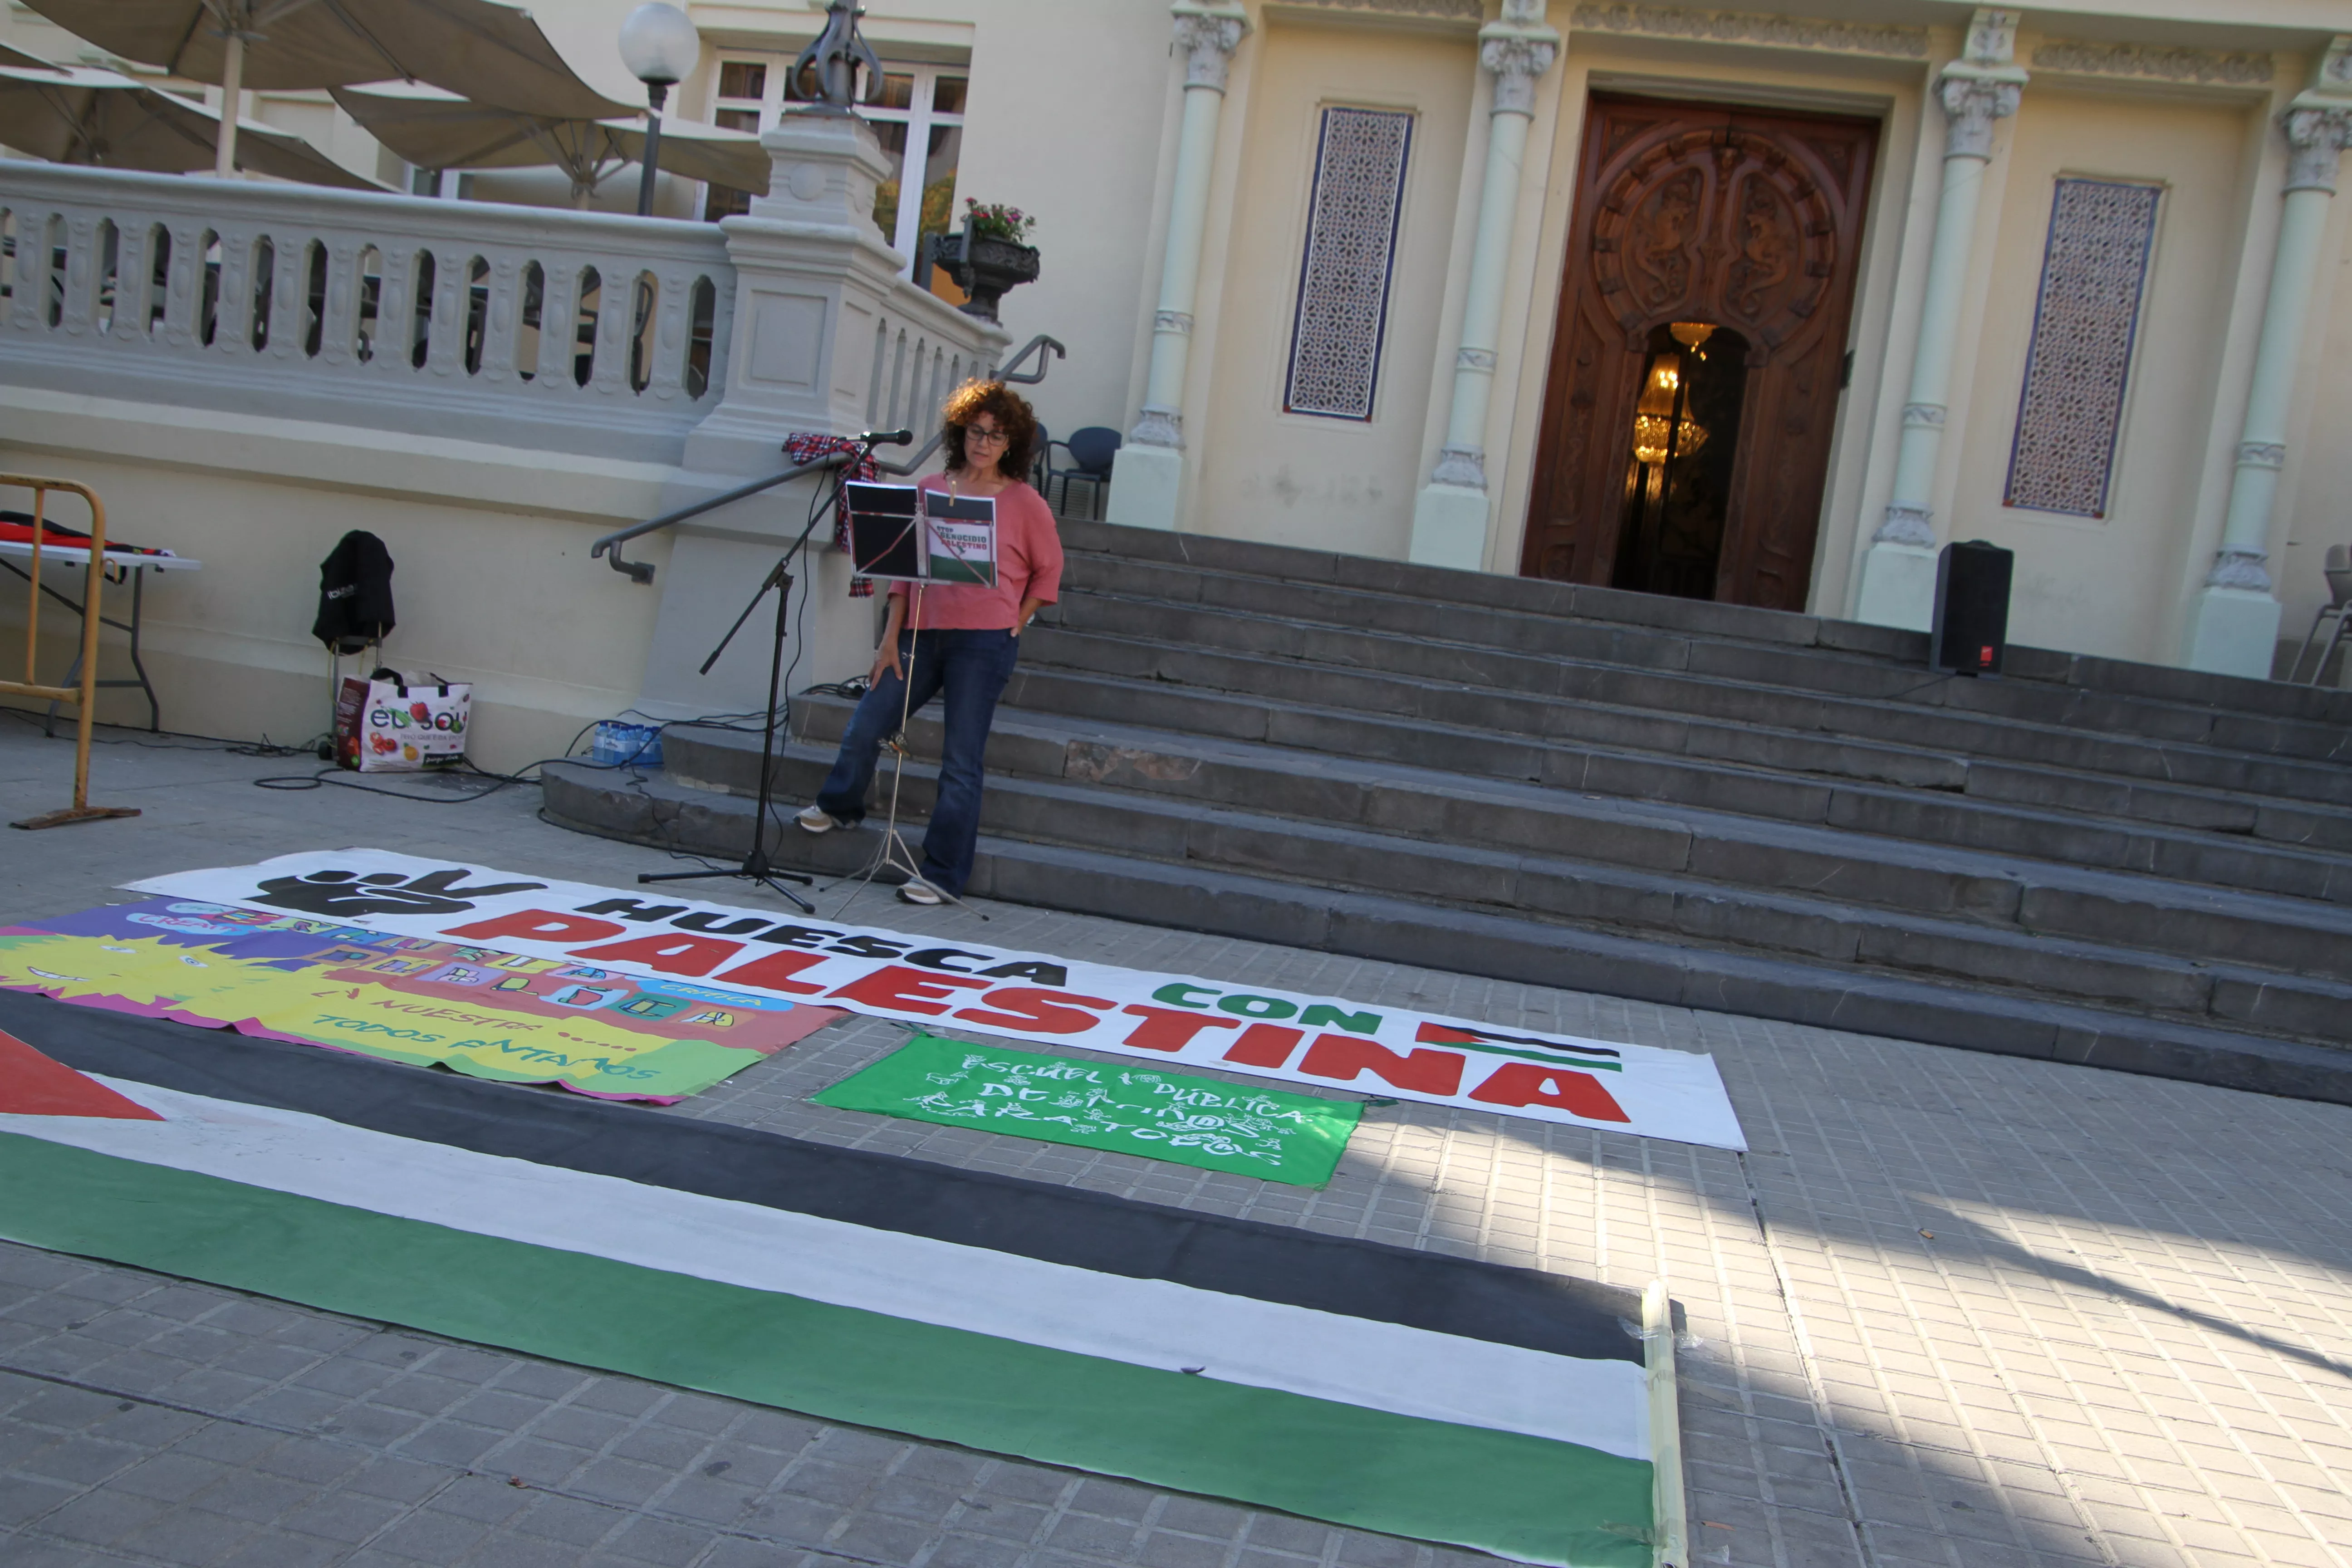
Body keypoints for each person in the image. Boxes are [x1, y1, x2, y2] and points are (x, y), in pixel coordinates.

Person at [796, 380, 1063, 905]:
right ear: (960, 433)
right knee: (868, 723)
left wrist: (1018, 621)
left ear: (1012, 444)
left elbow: (1049, 573)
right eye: (975, 431)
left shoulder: (1025, 502)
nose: (983, 443)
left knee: (961, 761)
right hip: (920, 631)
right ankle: (843, 805)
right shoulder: (928, 488)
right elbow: (902, 574)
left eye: (995, 435)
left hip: (984, 642)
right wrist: (888, 641)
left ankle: (942, 873)